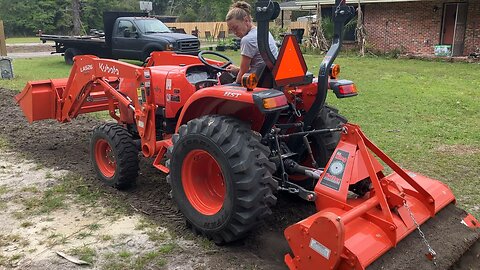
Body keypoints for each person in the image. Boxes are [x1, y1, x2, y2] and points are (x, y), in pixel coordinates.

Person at [225, 1, 278, 84]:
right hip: (268, 77)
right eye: (231, 30)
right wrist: (237, 69)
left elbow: (243, 73)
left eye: (235, 28)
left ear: (246, 20)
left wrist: (234, 84)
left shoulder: (247, 40)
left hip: (256, 81)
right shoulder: (263, 32)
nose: (234, 32)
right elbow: (258, 65)